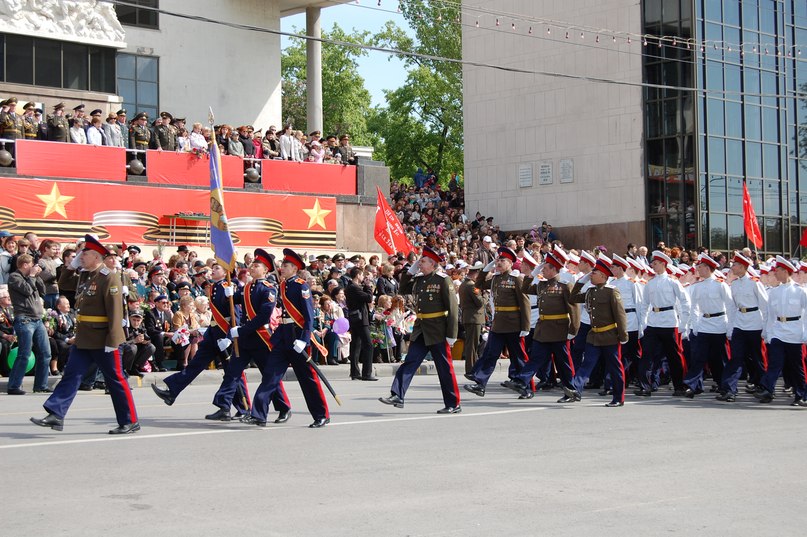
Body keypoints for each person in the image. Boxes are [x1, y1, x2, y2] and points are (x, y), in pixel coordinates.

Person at [30, 235, 140, 434]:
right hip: (84, 339)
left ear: (97, 257)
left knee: (115, 379)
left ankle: (130, 420)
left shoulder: (108, 277)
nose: (81, 256)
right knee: (71, 375)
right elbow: (64, 283)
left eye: (85, 253)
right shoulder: (85, 275)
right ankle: (56, 414)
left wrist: (113, 340)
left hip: (103, 339)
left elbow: (115, 312)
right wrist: (71, 266)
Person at [243, 248, 330, 428]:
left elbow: (308, 316)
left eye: (286, 265)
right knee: (270, 375)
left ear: (295, 268)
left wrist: (304, 339)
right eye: (282, 264)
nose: (282, 267)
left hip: (297, 338)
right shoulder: (282, 285)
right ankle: (259, 414)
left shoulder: (301, 286)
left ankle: (321, 414)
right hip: (283, 337)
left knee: (307, 379)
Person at [150, 263, 251, 416]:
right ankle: (172, 391)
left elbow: (235, 316)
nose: (213, 270)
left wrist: (230, 338)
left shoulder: (227, 287)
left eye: (217, 268)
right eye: (214, 267)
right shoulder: (215, 287)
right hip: (213, 334)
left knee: (232, 372)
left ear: (225, 272)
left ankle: (240, 408)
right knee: (195, 365)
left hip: (224, 335)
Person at [206, 249, 291, 423]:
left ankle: (283, 407)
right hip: (245, 340)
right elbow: (231, 301)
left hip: (260, 339)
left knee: (268, 376)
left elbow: (262, 317)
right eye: (252, 265)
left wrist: (240, 330)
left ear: (265, 270)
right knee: (232, 372)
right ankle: (223, 406)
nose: (252, 267)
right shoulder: (247, 288)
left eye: (256, 265)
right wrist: (227, 293)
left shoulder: (269, 289)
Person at [379, 246, 462, 414]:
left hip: (438, 330)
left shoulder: (443, 280)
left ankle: (453, 403)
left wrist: (452, 335)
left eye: (422, 261)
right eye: (419, 261)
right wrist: (411, 270)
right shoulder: (419, 279)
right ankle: (397, 395)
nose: (419, 264)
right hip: (421, 329)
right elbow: (403, 288)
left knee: (444, 368)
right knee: (410, 362)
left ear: (433, 264)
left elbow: (453, 309)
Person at [505, 246, 580, 402]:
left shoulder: (565, 286)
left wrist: (573, 329)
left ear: (554, 269)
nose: (543, 271)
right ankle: (521, 381)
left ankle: (571, 390)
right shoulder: (542, 285)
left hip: (559, 330)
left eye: (545, 268)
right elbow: (525, 288)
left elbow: (573, 309)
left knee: (563, 363)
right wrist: (533, 272)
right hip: (543, 330)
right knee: (535, 359)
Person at [463, 246, 530, 397]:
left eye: (502, 260)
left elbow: (524, 303)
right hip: (498, 324)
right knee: (490, 354)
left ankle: (526, 387)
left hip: (514, 324)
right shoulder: (495, 279)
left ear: (511, 263)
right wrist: (487, 268)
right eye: (498, 260)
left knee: (518, 357)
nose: (499, 263)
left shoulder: (516, 279)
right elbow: (478, 284)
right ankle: (480, 384)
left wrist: (525, 326)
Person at [567, 254, 629, 406]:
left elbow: (620, 315)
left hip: (609, 335)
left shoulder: (612, 292)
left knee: (615, 367)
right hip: (594, 335)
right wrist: (582, 280)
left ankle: (618, 397)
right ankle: (575, 388)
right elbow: (573, 298)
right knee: (587, 364)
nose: (591, 275)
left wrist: (622, 335)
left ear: (603, 275)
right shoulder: (590, 291)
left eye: (594, 273)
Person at [635, 250, 691, 397]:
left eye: (655, 263)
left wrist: (683, 323)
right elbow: (644, 304)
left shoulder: (673, 282)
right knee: (647, 355)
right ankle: (645, 386)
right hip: (653, 322)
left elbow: (685, 302)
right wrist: (644, 323)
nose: (652, 265)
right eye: (652, 263)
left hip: (669, 321)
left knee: (674, 356)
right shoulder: (650, 283)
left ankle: (679, 386)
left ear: (663, 264)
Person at [755, 256, 807, 406]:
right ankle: (768, 389)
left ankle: (801, 394)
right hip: (778, 331)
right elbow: (770, 315)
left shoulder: (800, 291)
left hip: (795, 331)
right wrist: (768, 333)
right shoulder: (774, 292)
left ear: (785, 271)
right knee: (775, 363)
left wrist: (805, 332)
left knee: (796, 366)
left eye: (777, 270)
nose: (775, 273)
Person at [719, 252, 768, 401]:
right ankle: (729, 389)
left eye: (734, 264)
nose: (732, 267)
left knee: (756, 357)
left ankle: (764, 386)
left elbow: (764, 306)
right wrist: (731, 328)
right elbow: (733, 307)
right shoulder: (734, 284)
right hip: (740, 323)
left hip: (754, 323)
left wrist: (766, 329)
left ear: (742, 266)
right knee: (736, 357)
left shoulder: (754, 283)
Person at [683, 253, 732, 398]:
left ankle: (722, 385)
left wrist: (729, 326)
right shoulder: (697, 286)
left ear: (707, 268)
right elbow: (694, 307)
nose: (698, 269)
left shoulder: (720, 285)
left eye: (701, 266)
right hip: (704, 324)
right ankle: (693, 385)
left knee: (717, 358)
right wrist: (695, 325)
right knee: (698, 357)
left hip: (719, 324)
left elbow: (729, 306)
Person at [6, 253, 52, 394]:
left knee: (45, 353)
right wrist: (32, 276)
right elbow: (26, 291)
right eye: (31, 265)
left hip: (37, 319)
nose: (33, 267)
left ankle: (41, 385)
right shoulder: (14, 277)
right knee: (24, 354)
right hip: (25, 319)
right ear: (25, 265)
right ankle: (14, 386)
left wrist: (36, 276)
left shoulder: (30, 277)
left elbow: (43, 291)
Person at [345, 265, 377, 381]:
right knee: (368, 345)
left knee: (356, 345)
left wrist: (365, 286)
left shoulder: (353, 287)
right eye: (362, 275)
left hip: (356, 318)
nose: (363, 277)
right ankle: (366, 373)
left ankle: (355, 372)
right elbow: (368, 298)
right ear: (358, 275)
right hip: (360, 319)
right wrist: (368, 286)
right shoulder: (353, 287)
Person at [458, 261, 485, 374]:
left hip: (469, 317)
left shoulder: (464, 284)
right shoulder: (472, 285)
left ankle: (471, 368)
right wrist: (486, 295)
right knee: (472, 345)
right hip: (474, 318)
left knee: (471, 344)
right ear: (476, 274)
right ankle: (471, 368)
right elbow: (480, 302)